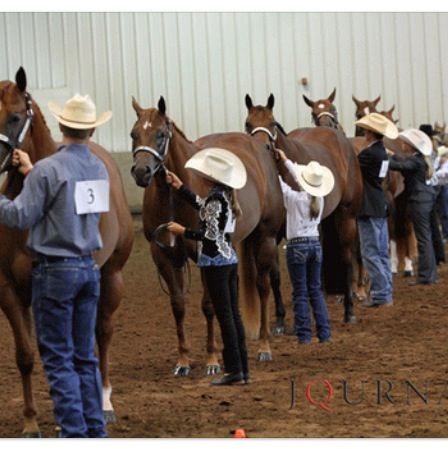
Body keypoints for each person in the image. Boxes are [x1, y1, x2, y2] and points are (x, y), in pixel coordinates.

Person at [0, 94, 112, 437]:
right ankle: (95, 430)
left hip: (55, 272)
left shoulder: (48, 170)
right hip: (88, 270)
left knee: (59, 360)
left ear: (61, 125)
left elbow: (21, 216)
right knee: (84, 357)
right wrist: (33, 173)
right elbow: (73, 202)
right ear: (91, 129)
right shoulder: (98, 166)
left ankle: (73, 435)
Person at [165, 148, 249, 386]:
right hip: (229, 260)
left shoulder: (216, 198)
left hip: (215, 263)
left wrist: (184, 232)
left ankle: (233, 370)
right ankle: (241, 369)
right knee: (234, 315)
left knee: (225, 317)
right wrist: (181, 187)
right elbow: (205, 209)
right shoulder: (224, 197)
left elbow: (209, 235)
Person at [274, 149, 333, 344]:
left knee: (300, 291)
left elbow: (281, 185)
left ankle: (304, 334)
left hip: (297, 246)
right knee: (315, 290)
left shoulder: (294, 199)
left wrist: (276, 168)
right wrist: (287, 161)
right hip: (315, 245)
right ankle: (324, 333)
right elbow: (301, 182)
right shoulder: (320, 200)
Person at [354, 113, 397, 307]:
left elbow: (353, 169)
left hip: (368, 205)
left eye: (366, 130)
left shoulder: (368, 154)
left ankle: (380, 294)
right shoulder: (382, 153)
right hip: (379, 204)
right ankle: (386, 291)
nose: (364, 133)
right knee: (381, 252)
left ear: (371, 133)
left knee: (370, 253)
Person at [389, 128, 438, 285]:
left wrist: (383, 157)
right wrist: (391, 154)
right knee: (426, 237)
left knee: (423, 238)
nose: (402, 145)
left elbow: (399, 165)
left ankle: (425, 276)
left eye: (405, 143)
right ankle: (429, 274)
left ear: (410, 147)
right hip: (425, 197)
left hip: (419, 200)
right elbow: (402, 161)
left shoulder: (415, 161)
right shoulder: (419, 159)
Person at [419, 124, 445, 264]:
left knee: (429, 225)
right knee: (434, 223)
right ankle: (439, 254)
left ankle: (435, 256)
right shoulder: (434, 149)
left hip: (428, 186)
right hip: (434, 187)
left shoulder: (425, 150)